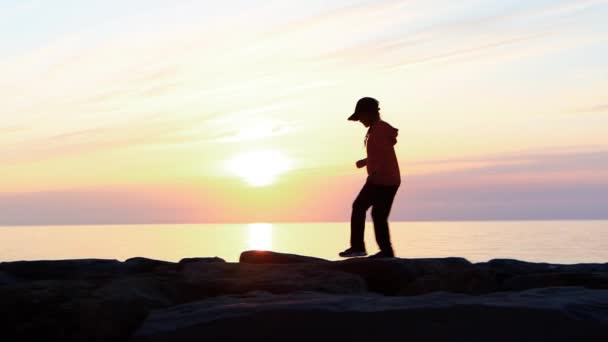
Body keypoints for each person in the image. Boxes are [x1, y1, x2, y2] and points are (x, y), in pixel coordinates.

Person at [339, 97, 401, 258]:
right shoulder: (378, 129)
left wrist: (374, 174)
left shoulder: (379, 130)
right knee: (378, 215)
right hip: (391, 180)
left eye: (360, 117)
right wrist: (366, 161)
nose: (360, 121)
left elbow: (383, 155)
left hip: (381, 179)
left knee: (359, 207)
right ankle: (387, 253)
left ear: (369, 113)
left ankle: (358, 247)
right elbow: (381, 153)